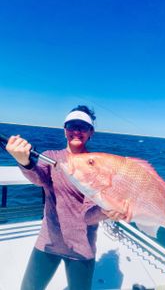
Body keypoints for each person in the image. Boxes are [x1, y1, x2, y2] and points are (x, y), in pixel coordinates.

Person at [6, 105, 130, 290]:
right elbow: (38, 177)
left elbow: (89, 216)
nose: (77, 131)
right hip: (48, 242)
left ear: (91, 132)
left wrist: (107, 210)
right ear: (65, 131)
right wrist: (23, 160)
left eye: (83, 127)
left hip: (82, 248)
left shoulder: (98, 166)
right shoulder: (51, 157)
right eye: (72, 125)